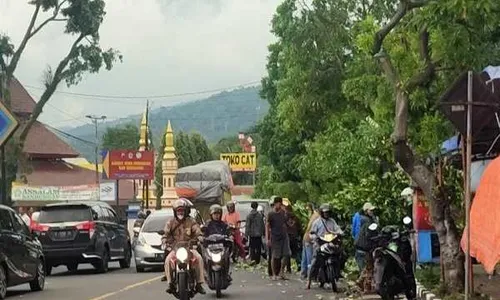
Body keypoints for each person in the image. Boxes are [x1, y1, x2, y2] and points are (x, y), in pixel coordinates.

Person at [162, 199, 206, 295]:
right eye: (178, 211)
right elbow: (165, 234)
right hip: (175, 249)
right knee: (168, 260)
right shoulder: (170, 222)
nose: (180, 212)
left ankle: (199, 283)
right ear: (175, 212)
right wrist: (165, 241)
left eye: (182, 210)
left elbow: (198, 232)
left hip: (189, 248)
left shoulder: (191, 221)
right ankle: (170, 283)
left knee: (199, 258)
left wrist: (199, 238)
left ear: (185, 211)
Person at [306, 203, 344, 289]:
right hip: (320, 244)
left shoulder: (332, 221)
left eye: (328, 212)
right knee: (315, 261)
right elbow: (311, 233)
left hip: (331, 243)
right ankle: (309, 281)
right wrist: (315, 238)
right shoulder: (317, 222)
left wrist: (339, 233)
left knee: (342, 255)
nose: (326, 214)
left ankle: (338, 272)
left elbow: (338, 229)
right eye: (325, 212)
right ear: (321, 213)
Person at [203, 204, 233, 282]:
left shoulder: (224, 225)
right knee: (204, 257)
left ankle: (227, 274)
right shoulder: (207, 224)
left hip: (221, 247)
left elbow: (228, 233)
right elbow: (203, 234)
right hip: (210, 247)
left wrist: (230, 236)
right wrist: (202, 237)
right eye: (214, 214)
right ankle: (206, 274)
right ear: (211, 215)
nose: (216, 216)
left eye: (218, 214)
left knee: (227, 258)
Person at [266, 196, 291, 280]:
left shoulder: (283, 212)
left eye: (280, 204)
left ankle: (281, 272)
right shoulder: (271, 214)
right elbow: (267, 226)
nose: (279, 206)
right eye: (278, 204)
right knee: (275, 256)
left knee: (286, 254)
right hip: (275, 236)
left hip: (284, 236)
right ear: (275, 204)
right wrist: (268, 238)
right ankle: (274, 274)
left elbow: (288, 222)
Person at [301, 205, 320, 279]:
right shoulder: (318, 217)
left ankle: (303, 274)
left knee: (305, 257)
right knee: (310, 258)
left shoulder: (314, 216)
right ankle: (310, 275)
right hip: (310, 239)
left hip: (306, 237)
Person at [283, 203, 302, 273]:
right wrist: (300, 236)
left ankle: (288, 268)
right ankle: (299, 264)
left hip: (287, 237)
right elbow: (300, 228)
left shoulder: (284, 218)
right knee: (296, 252)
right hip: (295, 237)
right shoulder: (296, 218)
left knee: (287, 253)